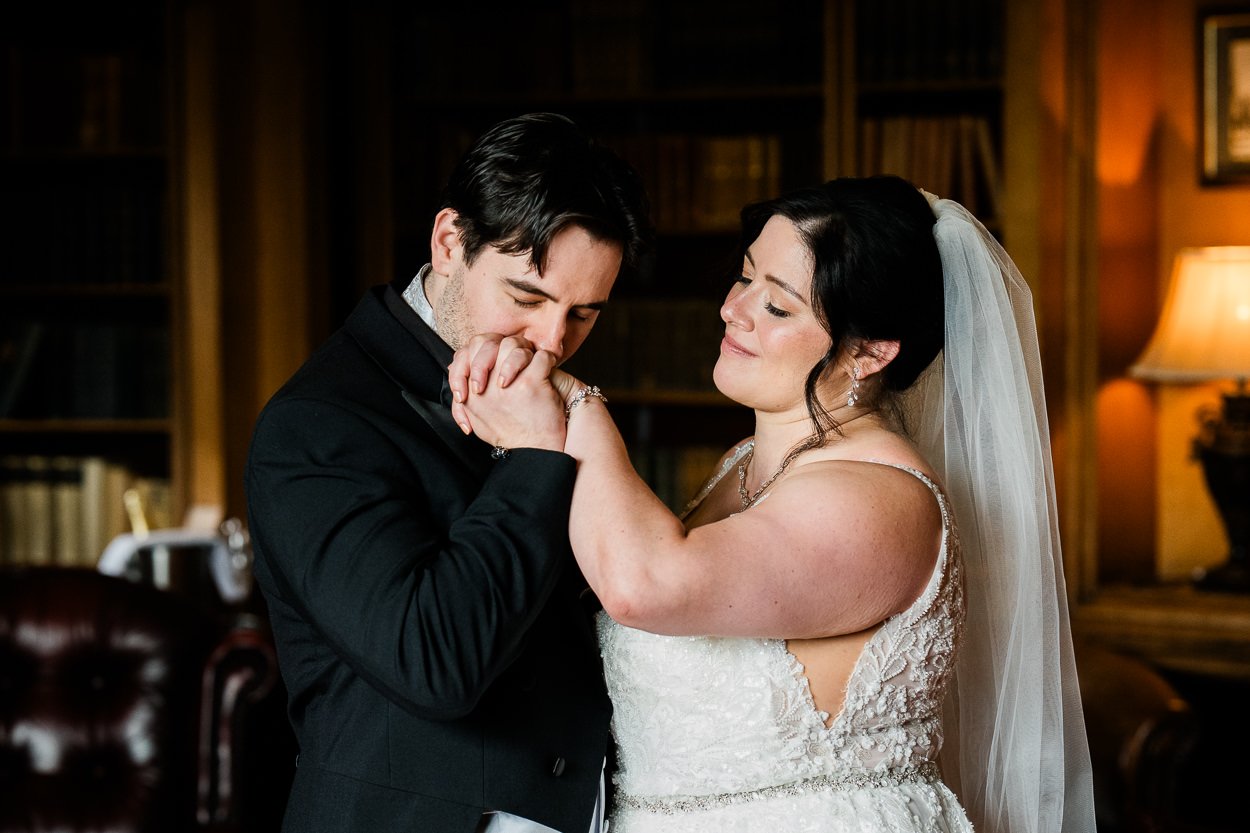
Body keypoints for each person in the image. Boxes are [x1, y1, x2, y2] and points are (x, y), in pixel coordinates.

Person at [449, 175, 1096, 833]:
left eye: (779, 306)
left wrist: (571, 399)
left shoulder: (879, 501)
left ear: (870, 350)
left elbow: (645, 583)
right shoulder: (743, 465)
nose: (734, 310)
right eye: (744, 278)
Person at [245, 112, 651, 833]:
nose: (553, 341)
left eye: (584, 314)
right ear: (448, 243)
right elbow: (433, 661)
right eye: (527, 297)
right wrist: (532, 458)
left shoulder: (553, 397)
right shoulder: (316, 423)